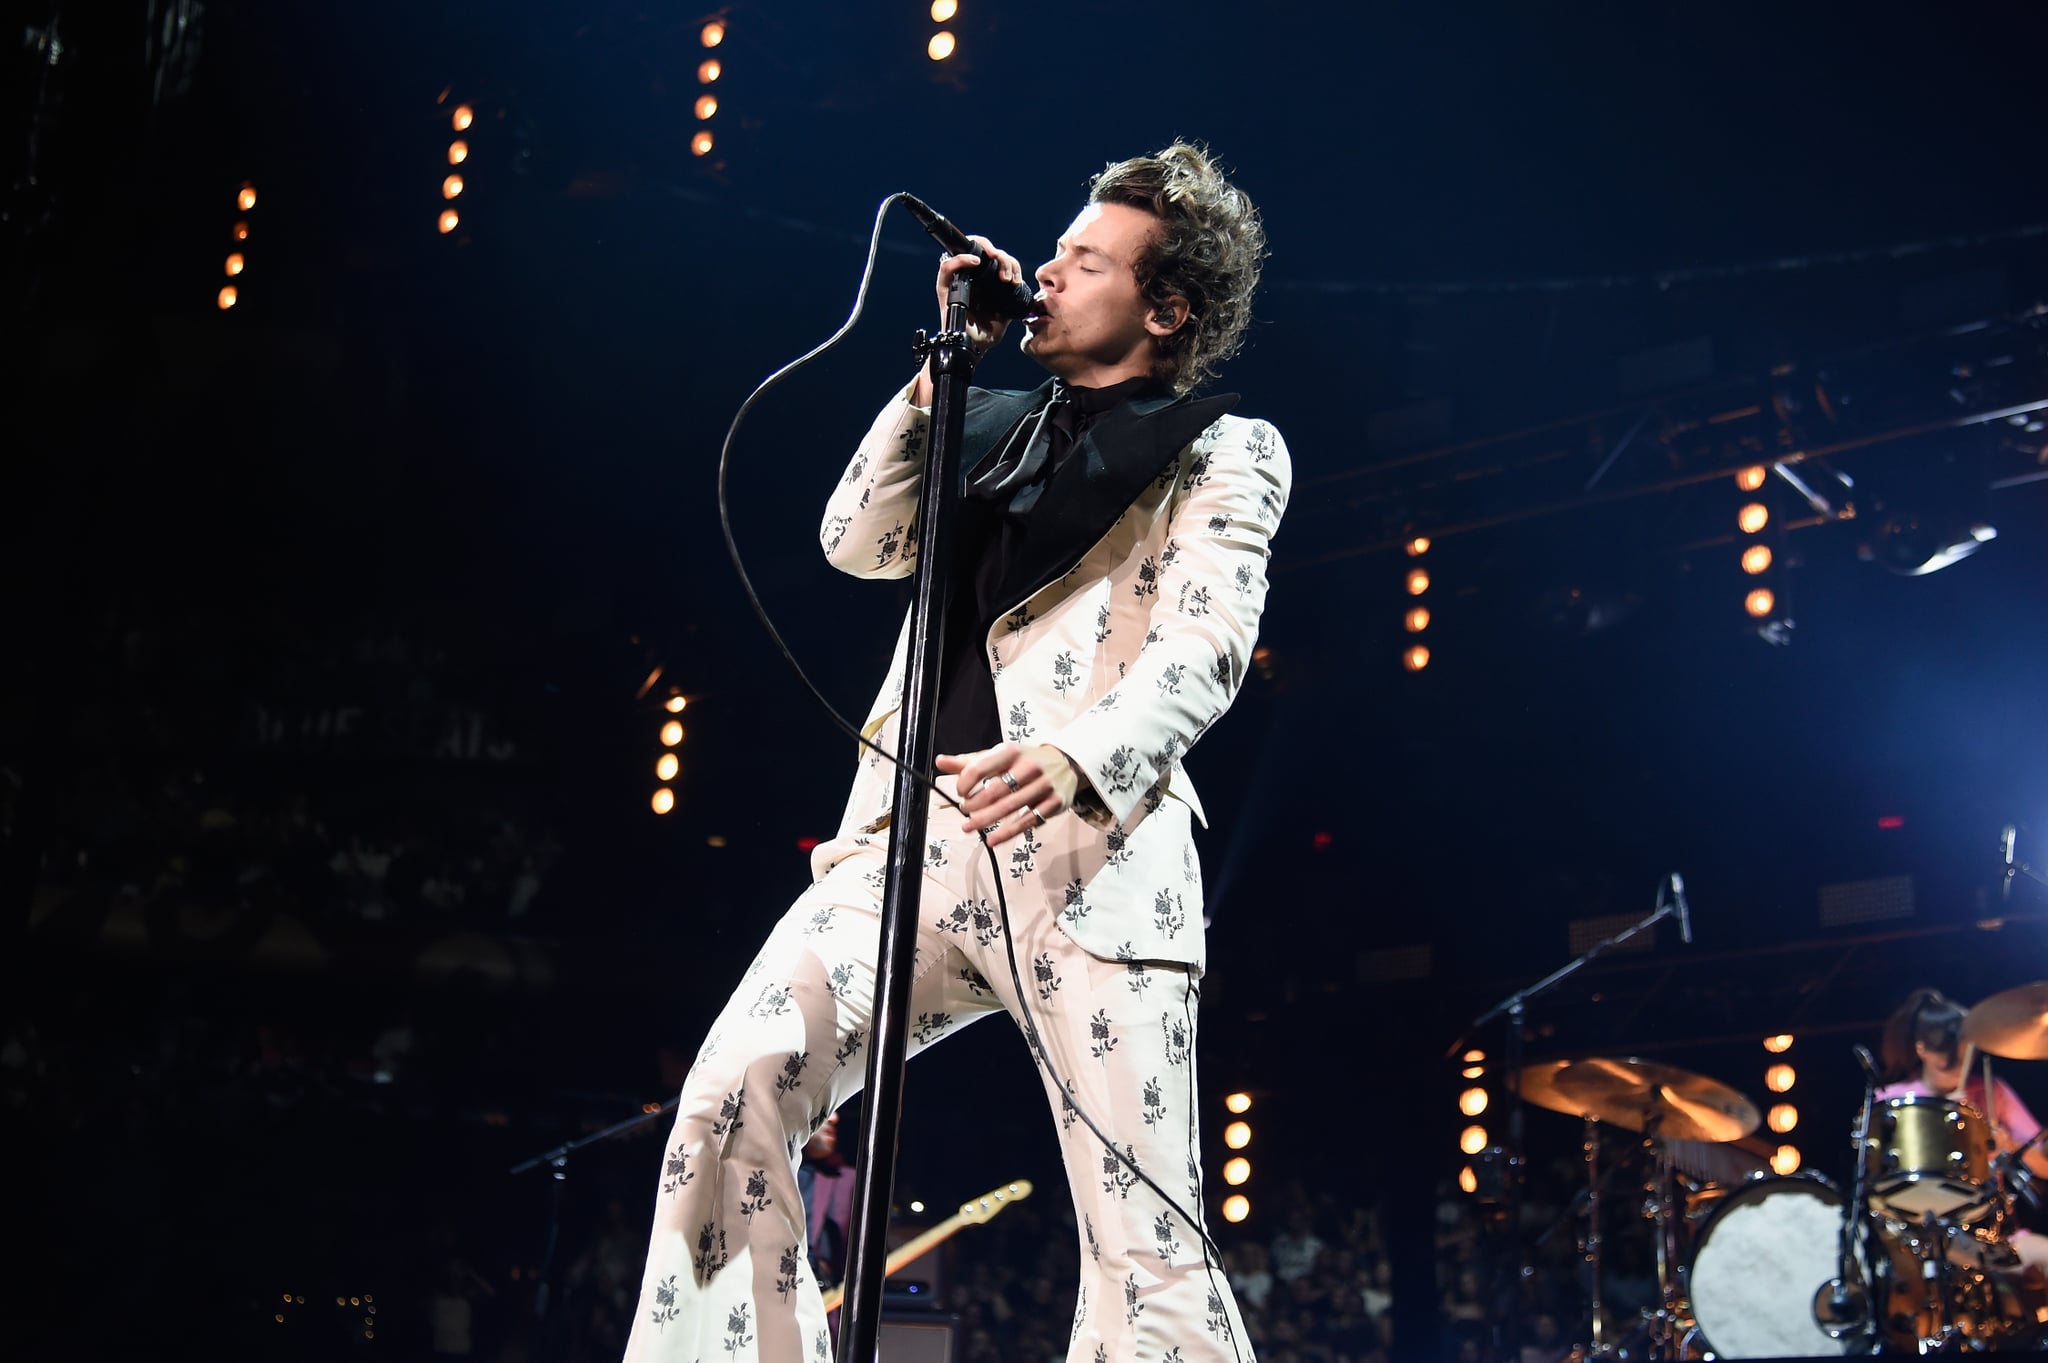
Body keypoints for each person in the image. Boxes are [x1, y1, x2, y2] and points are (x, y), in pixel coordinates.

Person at [621, 142, 1285, 1363]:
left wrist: (1081, 756)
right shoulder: (982, 420)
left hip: (1090, 862)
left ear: (1164, 304)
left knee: (1140, 1235)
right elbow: (851, 541)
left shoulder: (1222, 449)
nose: (1045, 269)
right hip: (908, 850)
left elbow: (1204, 650)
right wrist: (937, 378)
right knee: (730, 1095)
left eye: (1082, 259)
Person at [1875, 987, 2048, 1276]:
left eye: (1965, 1058)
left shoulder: (1992, 1092)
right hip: (1917, 1239)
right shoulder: (1894, 1101)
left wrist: (2007, 1143)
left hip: (1995, 1237)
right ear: (1922, 1050)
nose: (1958, 1072)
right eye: (1948, 1062)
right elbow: (1878, 1187)